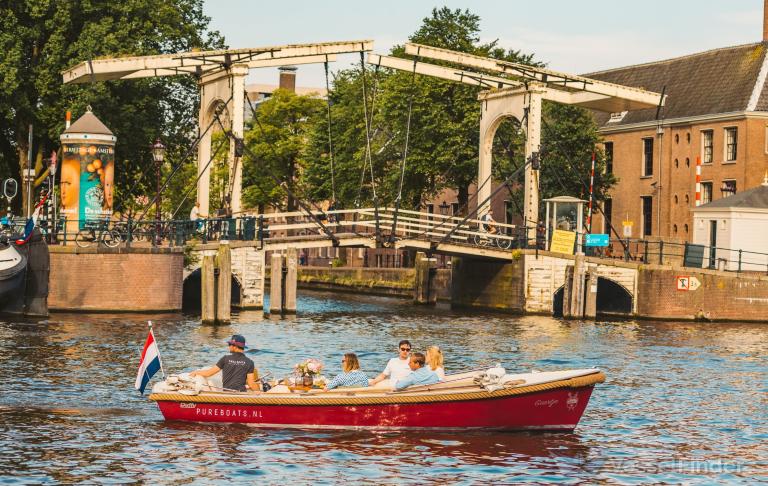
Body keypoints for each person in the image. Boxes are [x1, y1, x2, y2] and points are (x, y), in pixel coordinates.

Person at [190, 334, 259, 393]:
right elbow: (251, 384)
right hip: (241, 394)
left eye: (229, 344)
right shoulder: (249, 362)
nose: (229, 346)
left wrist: (196, 372)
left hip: (227, 393)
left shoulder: (225, 359)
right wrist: (260, 392)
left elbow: (209, 373)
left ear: (234, 346)